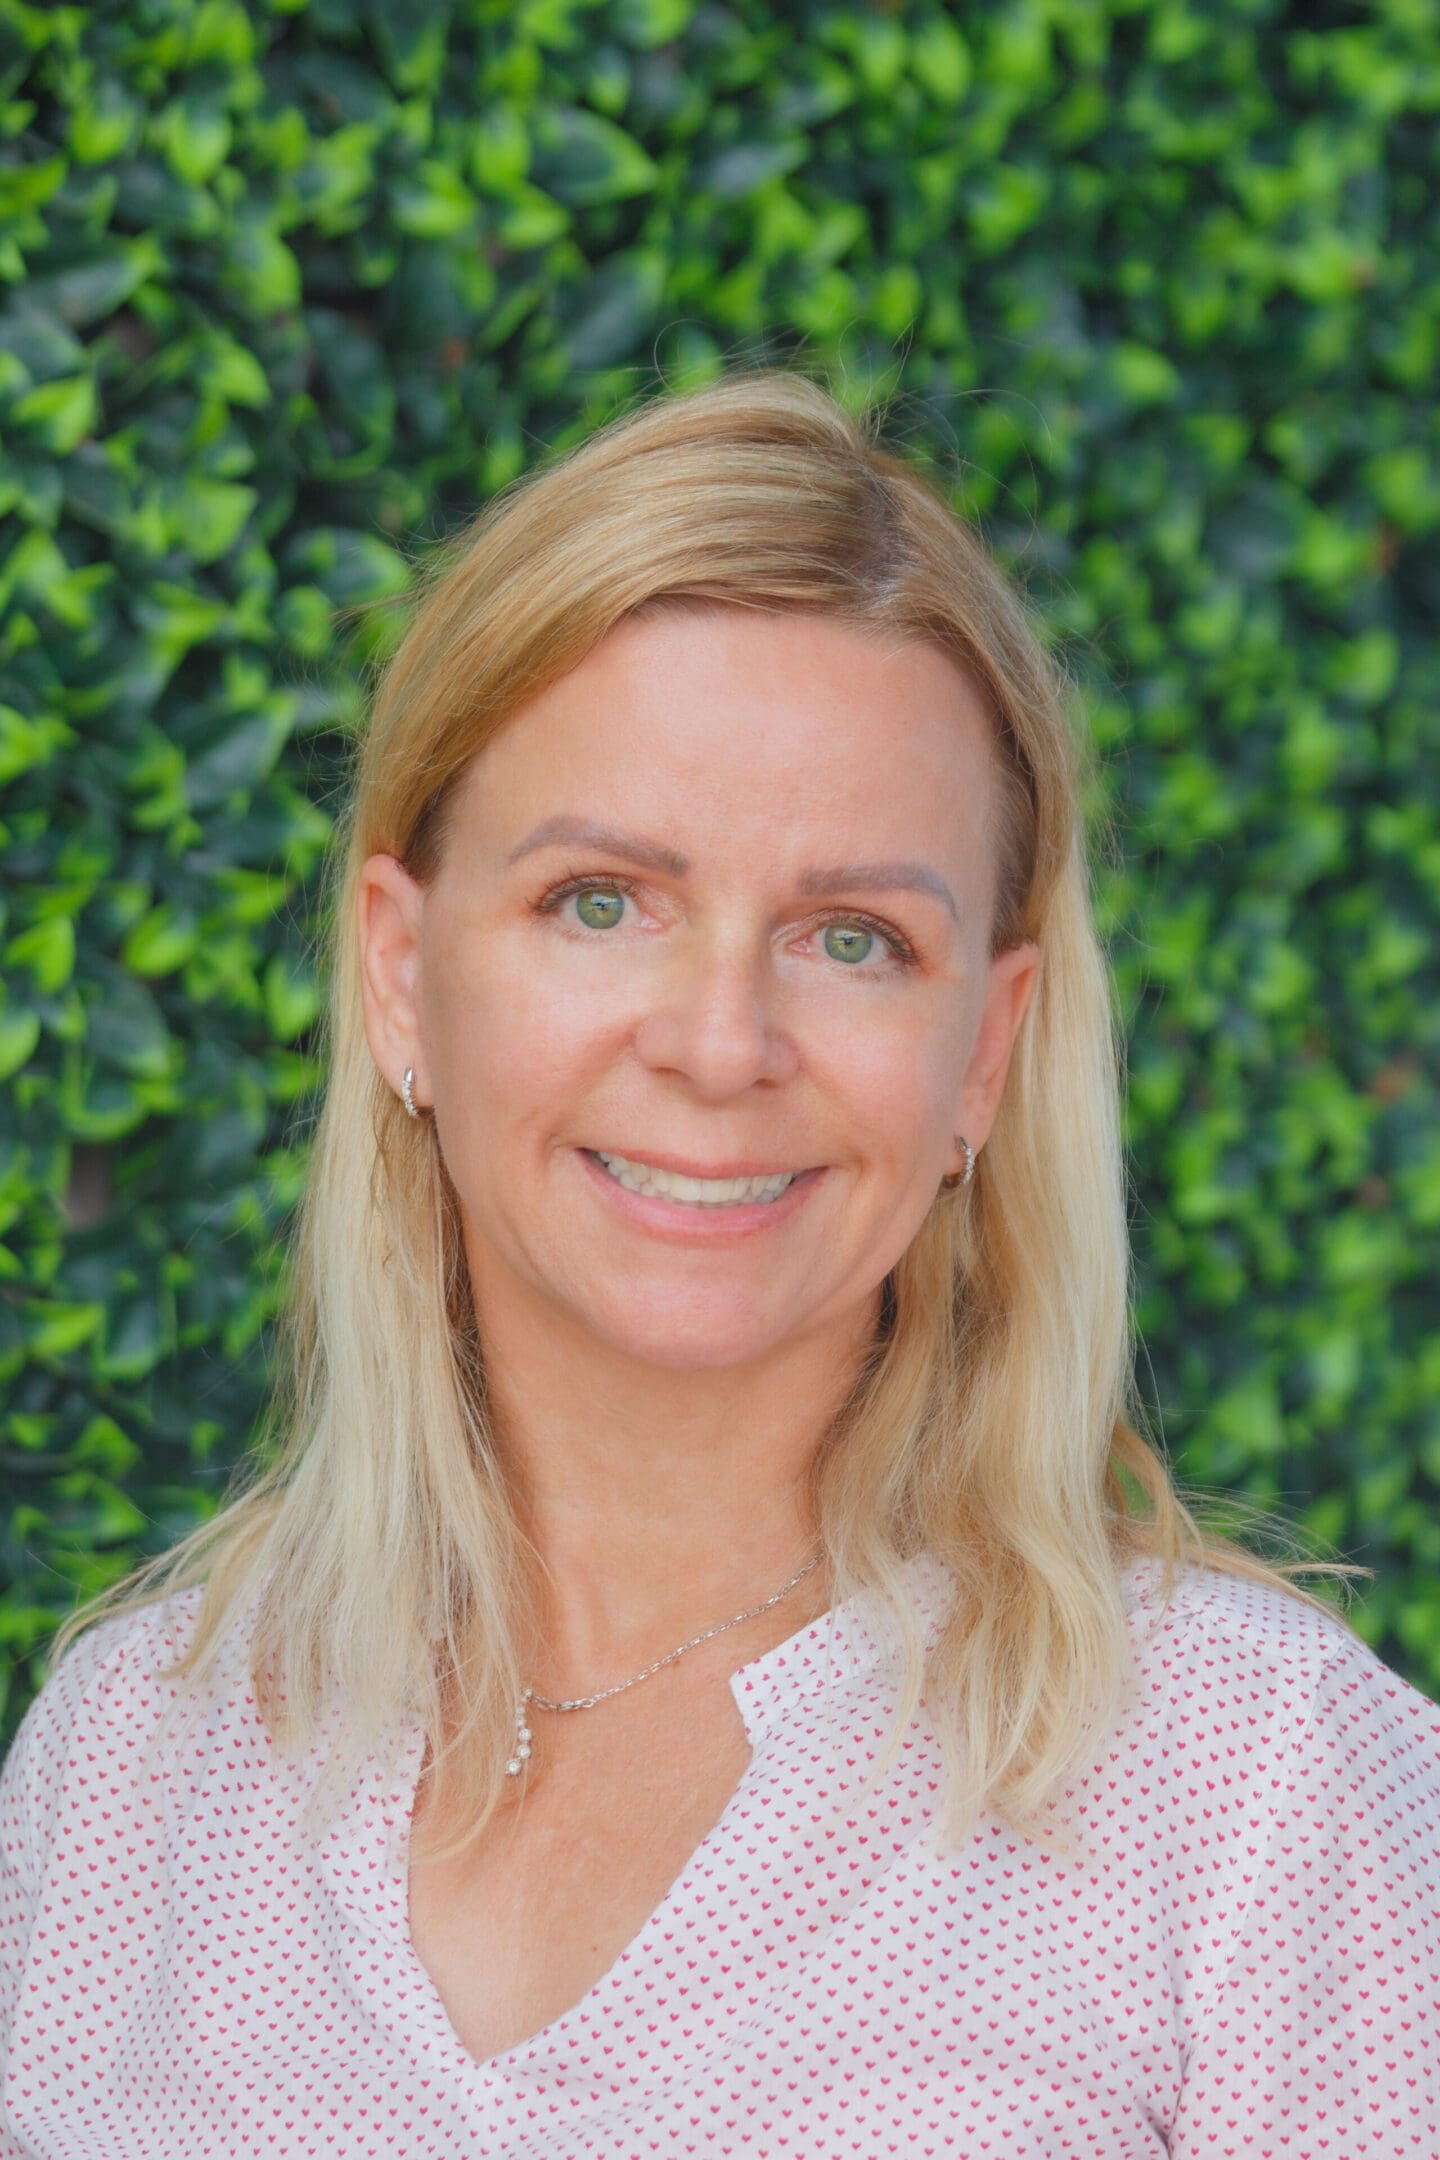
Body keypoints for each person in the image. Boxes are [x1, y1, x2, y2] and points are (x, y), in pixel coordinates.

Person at [1, 367, 1436, 2159]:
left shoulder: (1254, 1791)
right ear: (398, 971)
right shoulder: (134, 1764)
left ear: (981, 1051)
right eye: (600, 901)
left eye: (852, 937)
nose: (722, 1041)